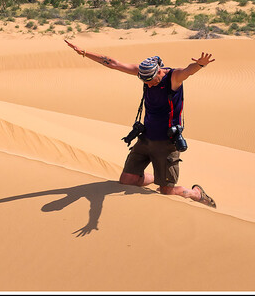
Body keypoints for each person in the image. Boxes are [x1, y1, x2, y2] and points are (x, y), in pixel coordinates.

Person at [64, 39, 217, 208]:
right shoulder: (144, 73)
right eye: (144, 81)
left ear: (159, 72)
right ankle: (157, 176)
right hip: (146, 137)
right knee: (127, 180)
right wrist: (84, 52)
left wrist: (200, 65)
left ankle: (196, 193)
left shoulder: (173, 78)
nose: (148, 84)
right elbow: (113, 63)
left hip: (167, 141)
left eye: (151, 80)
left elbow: (188, 71)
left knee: (166, 191)